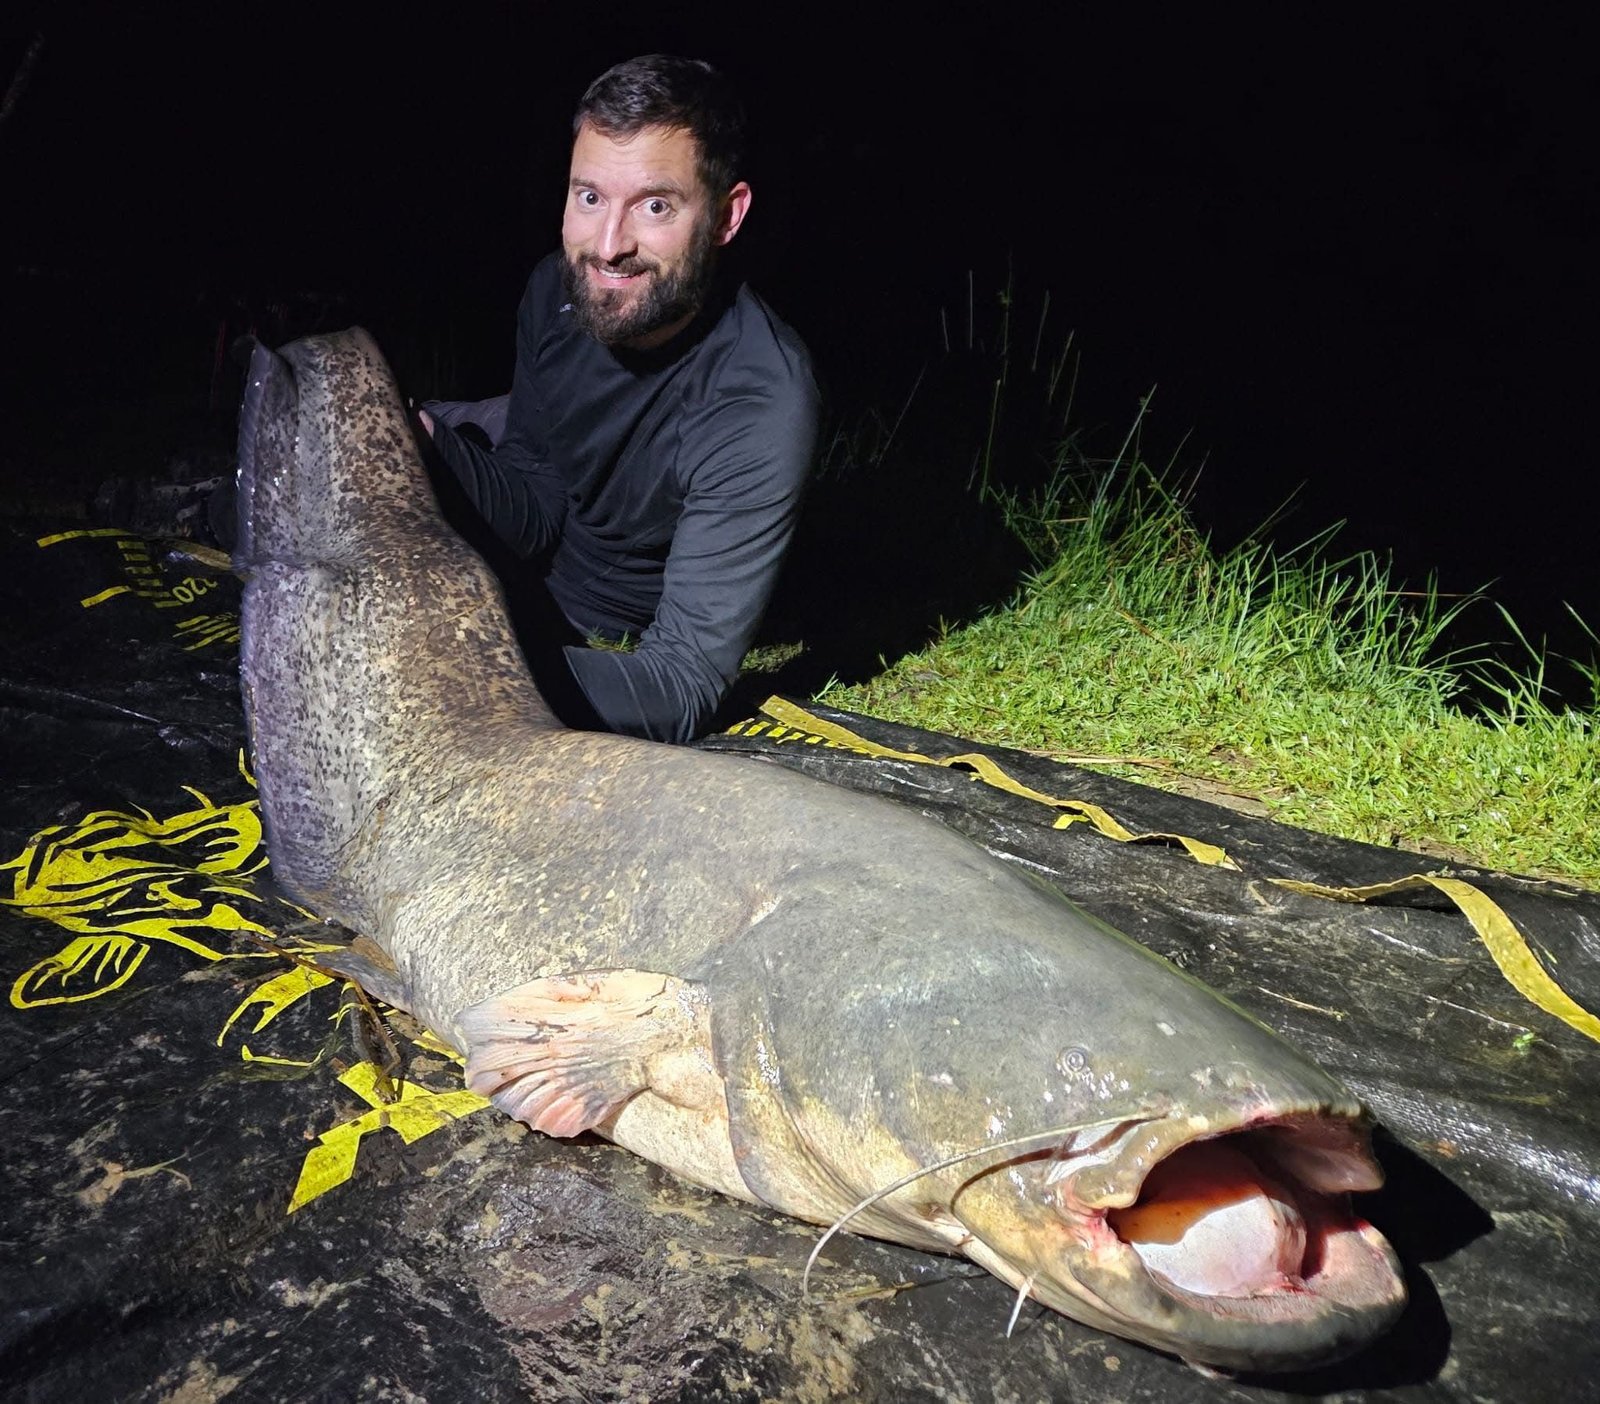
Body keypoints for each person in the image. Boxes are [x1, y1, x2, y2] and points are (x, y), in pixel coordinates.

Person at [420, 55, 820, 744]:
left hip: (593, 615)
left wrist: (464, 680)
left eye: (656, 206)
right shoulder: (556, 290)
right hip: (531, 552)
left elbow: (680, 685)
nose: (609, 247)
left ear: (726, 217)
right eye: (590, 197)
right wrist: (424, 452)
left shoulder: (760, 400)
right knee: (405, 432)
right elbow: (537, 503)